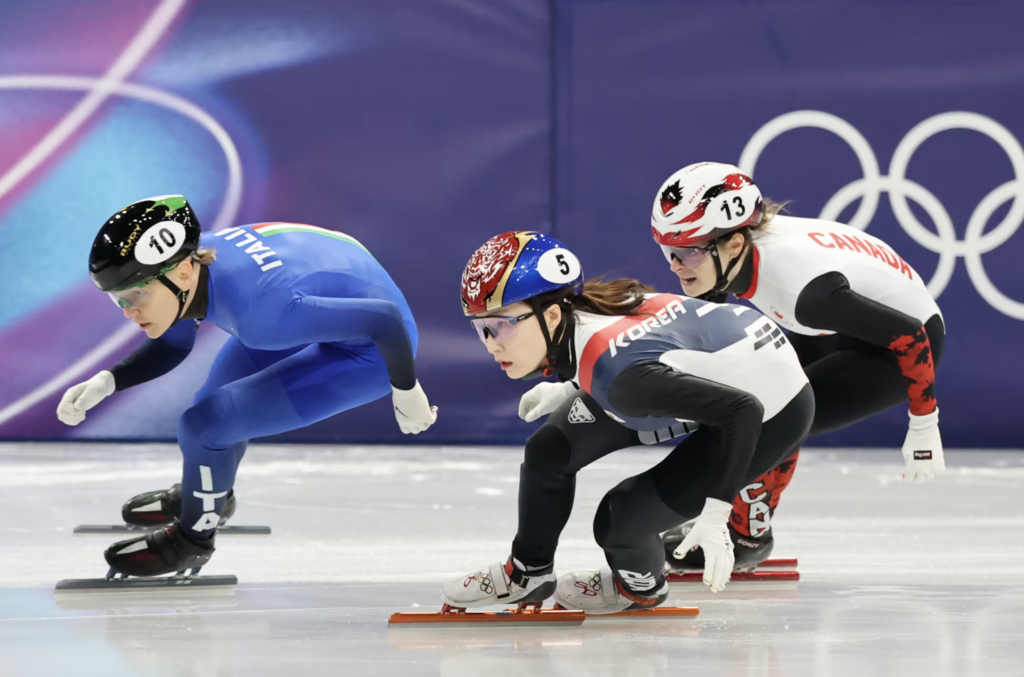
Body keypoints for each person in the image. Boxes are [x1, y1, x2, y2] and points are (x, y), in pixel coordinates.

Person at [56, 196, 436, 577]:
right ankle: (212, 497)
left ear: (184, 274)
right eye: (116, 299)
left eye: (136, 294)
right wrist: (109, 381)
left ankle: (192, 541)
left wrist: (406, 389)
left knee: (206, 427)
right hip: (317, 288)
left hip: (374, 349)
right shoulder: (188, 268)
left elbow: (385, 320)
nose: (127, 311)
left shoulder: (260, 314)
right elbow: (174, 343)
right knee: (209, 407)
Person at [442, 231, 813, 613]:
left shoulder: (620, 378)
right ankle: (528, 573)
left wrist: (717, 512)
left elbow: (743, 411)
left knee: (620, 520)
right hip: (710, 378)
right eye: (480, 328)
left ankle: (640, 589)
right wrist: (572, 384)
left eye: (500, 326)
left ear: (552, 314)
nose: (490, 344)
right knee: (549, 449)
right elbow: (654, 348)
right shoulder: (585, 310)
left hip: (772, 411)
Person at [648, 162, 945, 572]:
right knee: (755, 395)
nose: (675, 267)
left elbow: (911, 335)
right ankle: (741, 520)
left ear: (735, 244)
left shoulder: (799, 289)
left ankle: (747, 535)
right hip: (841, 313)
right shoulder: (742, 255)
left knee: (777, 415)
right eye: (668, 251)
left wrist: (924, 424)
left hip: (898, 348)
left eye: (687, 252)